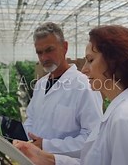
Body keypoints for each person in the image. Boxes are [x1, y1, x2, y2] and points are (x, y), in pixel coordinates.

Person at [13, 25, 128, 165]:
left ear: (115, 62)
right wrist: (48, 158)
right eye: (39, 52)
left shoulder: (127, 119)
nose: (84, 69)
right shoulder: (121, 111)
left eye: (91, 60)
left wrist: (47, 147)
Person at [23, 22, 103, 157]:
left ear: (65, 47)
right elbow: (31, 119)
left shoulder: (84, 86)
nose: (44, 58)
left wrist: (46, 145)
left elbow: (93, 139)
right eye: (39, 52)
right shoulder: (40, 85)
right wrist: (20, 137)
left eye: (49, 50)